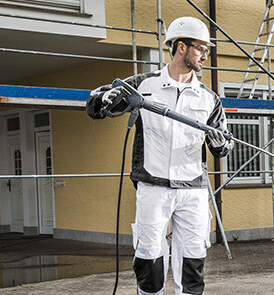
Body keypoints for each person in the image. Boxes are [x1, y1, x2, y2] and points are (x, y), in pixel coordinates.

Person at [86, 16, 233, 295]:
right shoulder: (144, 85)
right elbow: (95, 103)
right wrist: (105, 100)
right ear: (180, 47)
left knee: (193, 257)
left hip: (193, 189)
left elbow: (223, 146)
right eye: (201, 48)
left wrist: (220, 144)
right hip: (153, 185)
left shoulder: (208, 98)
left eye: (207, 50)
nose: (205, 55)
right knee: (149, 256)